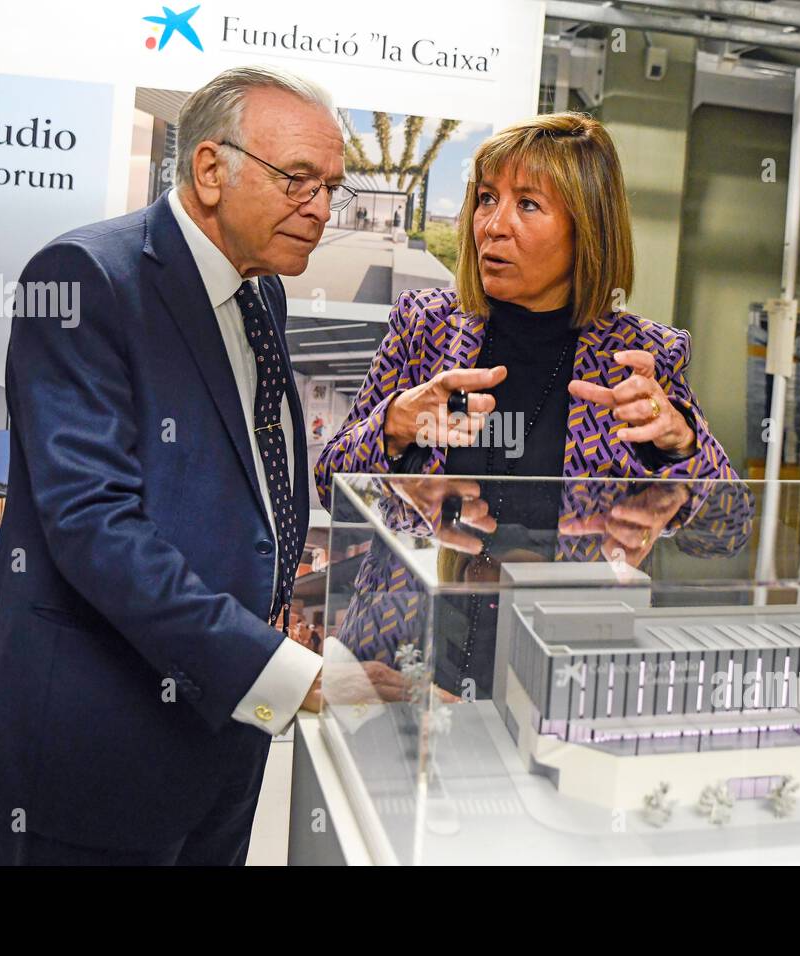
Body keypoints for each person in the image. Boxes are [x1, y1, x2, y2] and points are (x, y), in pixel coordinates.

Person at [0, 65, 353, 865]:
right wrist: (279, 671)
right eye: (297, 180)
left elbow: (249, 486)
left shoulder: (260, 290)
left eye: (332, 187)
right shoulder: (83, 279)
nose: (321, 210)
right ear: (210, 169)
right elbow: (95, 526)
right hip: (101, 742)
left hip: (225, 727)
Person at [315, 111, 742, 695]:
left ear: (587, 228)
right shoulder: (425, 327)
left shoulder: (642, 356)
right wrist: (391, 426)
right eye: (486, 199)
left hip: (560, 674)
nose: (493, 224)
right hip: (404, 661)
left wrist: (682, 445)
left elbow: (724, 533)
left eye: (528, 205)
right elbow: (328, 489)